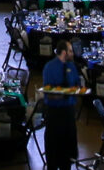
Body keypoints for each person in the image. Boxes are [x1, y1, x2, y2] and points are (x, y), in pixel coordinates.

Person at [41, 40, 84, 170]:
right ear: (64, 52)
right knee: (53, 147)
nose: (73, 53)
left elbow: (77, 86)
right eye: (70, 51)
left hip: (69, 112)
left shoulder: (72, 67)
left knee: (68, 148)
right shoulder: (49, 67)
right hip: (54, 113)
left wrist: (78, 90)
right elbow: (48, 93)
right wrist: (64, 94)